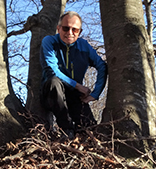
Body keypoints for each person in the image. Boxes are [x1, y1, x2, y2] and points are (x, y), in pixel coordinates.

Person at [40, 11, 107, 139]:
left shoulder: (84, 46)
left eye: (74, 30)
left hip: (74, 95)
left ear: (79, 32)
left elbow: (102, 66)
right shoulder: (49, 42)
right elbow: (52, 70)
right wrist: (78, 86)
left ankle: (80, 136)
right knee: (54, 82)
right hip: (51, 92)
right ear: (58, 28)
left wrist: (95, 94)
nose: (70, 33)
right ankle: (67, 130)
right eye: (66, 28)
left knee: (90, 129)